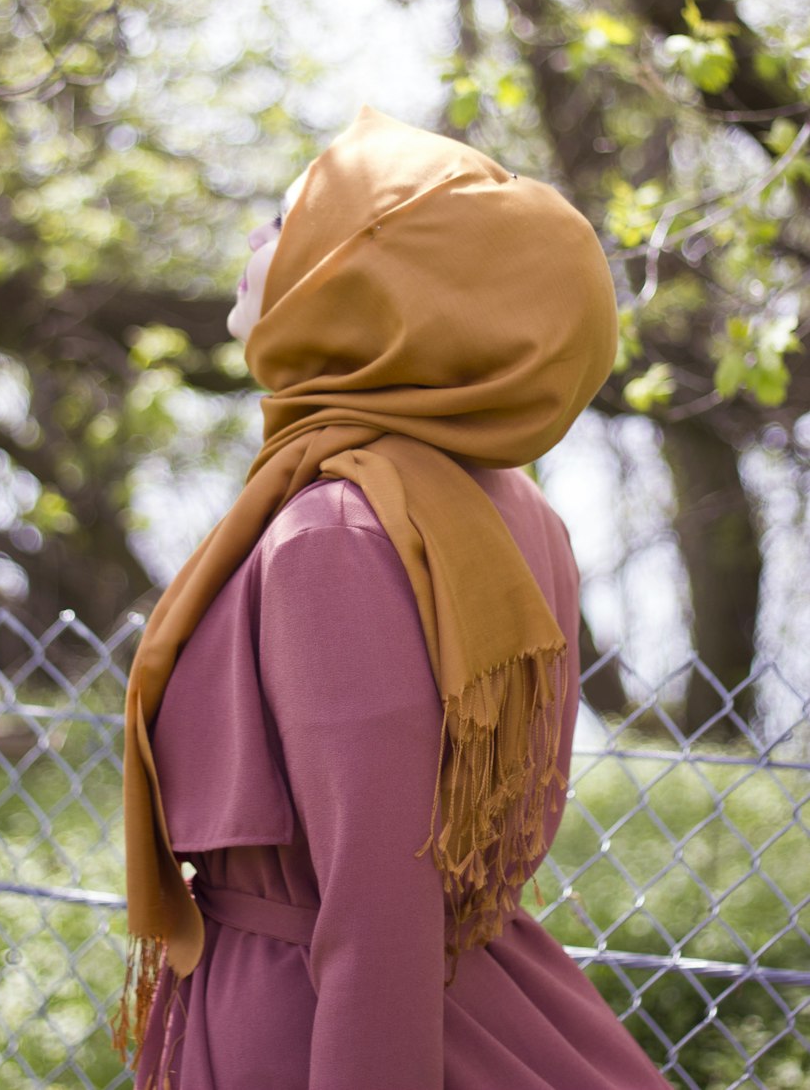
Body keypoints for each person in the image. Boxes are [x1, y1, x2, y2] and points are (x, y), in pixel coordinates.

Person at [111, 105, 672, 1089]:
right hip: (460, 990)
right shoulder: (504, 504)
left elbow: (377, 898)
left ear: (365, 279)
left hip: (325, 1027)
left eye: (289, 222)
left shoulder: (337, 528)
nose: (252, 240)